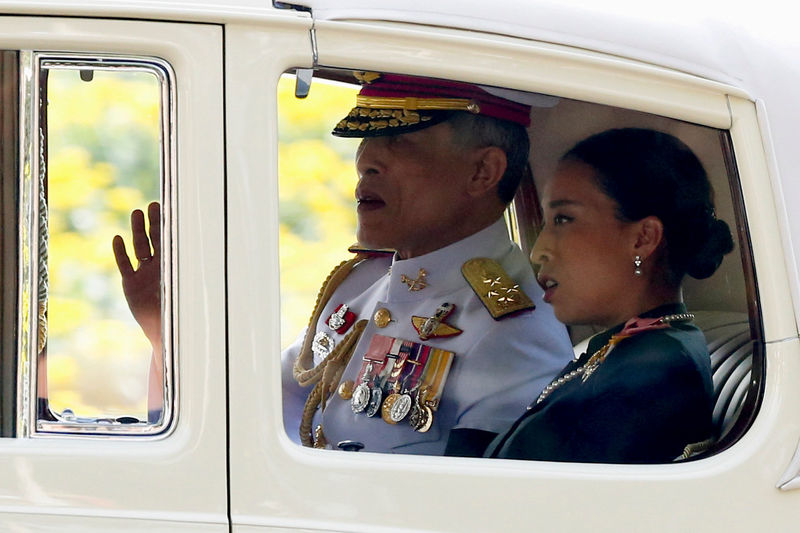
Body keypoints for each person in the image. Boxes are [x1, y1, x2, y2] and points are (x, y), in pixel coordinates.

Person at [114, 72, 573, 454]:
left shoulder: (513, 330)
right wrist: (166, 328)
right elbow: (252, 415)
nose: (367, 161)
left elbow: (473, 506)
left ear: (482, 172)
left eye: (399, 138)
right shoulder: (362, 282)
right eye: (367, 139)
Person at [449, 127, 734, 463]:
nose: (539, 250)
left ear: (643, 238)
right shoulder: (634, 347)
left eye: (564, 219)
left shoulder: (650, 376)